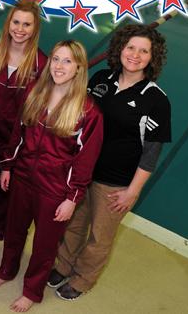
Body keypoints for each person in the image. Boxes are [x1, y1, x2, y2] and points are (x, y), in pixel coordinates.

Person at [49, 25, 171, 301]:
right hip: (83, 172)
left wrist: (133, 191)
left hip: (115, 183)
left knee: (99, 237)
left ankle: (82, 279)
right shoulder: (101, 78)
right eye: (131, 48)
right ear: (120, 49)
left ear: (153, 57)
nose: (135, 55)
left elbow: (151, 153)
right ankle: (62, 265)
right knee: (73, 225)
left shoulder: (156, 100)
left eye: (144, 51)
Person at [0, 40, 103, 313]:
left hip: (55, 189)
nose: (59, 66)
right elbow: (17, 135)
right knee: (13, 231)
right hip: (23, 177)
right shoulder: (33, 93)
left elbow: (85, 161)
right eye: (56, 59)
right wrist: (7, 166)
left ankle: (32, 290)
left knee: (44, 245)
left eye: (67, 61)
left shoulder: (88, 111)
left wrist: (72, 197)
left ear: (78, 68)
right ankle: (6, 271)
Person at [0, 0, 47, 251]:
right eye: (16, 22)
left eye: (27, 24)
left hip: (16, 137)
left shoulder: (40, 64)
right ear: (8, 23)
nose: (20, 29)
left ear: (35, 28)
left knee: (5, 184)